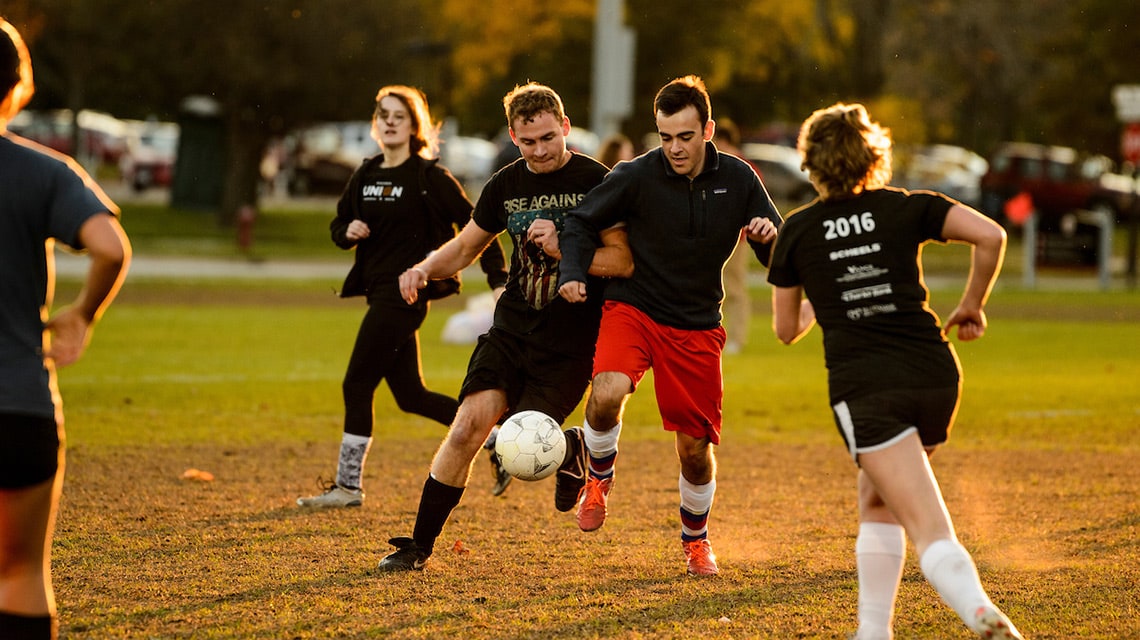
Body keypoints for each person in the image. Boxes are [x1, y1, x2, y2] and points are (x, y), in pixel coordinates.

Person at [767, 103, 1022, 639]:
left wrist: (824, 297)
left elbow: (787, 330)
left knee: (929, 527)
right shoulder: (907, 207)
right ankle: (872, 632)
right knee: (877, 495)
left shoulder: (798, 231)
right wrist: (973, 304)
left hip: (869, 389)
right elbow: (992, 236)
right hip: (934, 373)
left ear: (810, 161)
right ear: (871, 155)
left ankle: (978, 609)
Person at [375, 82, 633, 571]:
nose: (539, 151)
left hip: (569, 344)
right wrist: (424, 269)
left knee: (523, 449)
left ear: (566, 128)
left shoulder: (598, 181)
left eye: (548, 139)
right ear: (514, 137)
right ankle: (418, 545)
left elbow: (622, 261)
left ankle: (573, 447)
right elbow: (467, 246)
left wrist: (564, 250)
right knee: (467, 428)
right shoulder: (505, 185)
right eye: (528, 142)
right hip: (511, 331)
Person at [557, 75, 781, 576]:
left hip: (696, 323)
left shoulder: (740, 179)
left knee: (694, 450)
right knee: (607, 391)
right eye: (665, 137)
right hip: (633, 308)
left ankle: (696, 541)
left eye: (685, 136)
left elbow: (779, 256)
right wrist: (572, 272)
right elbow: (580, 221)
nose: (675, 148)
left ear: (708, 130)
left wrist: (769, 237)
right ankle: (598, 477)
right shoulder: (635, 175)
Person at [297, 86, 509, 509]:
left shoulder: (428, 177)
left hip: (406, 295)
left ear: (416, 126)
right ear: (376, 125)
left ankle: (347, 487)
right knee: (411, 395)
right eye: (383, 114)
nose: (390, 121)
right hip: (377, 293)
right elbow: (339, 224)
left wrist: (497, 279)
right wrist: (348, 232)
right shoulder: (366, 174)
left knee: (356, 383)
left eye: (399, 115)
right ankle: (498, 439)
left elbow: (478, 227)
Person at [0, 18, 131, 640]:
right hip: (19, 404)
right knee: (21, 574)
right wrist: (82, 314)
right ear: (18, 87)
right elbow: (109, 246)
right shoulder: (45, 171)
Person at [713, 118, 758, 355]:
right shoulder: (714, 165)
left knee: (736, 288)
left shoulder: (744, 166)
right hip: (714, 237)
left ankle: (737, 338)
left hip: (738, 238)